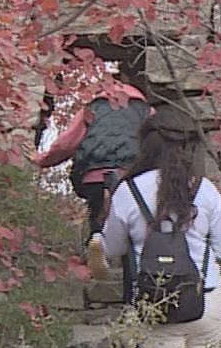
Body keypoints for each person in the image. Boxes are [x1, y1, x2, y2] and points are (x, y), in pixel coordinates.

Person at [100, 107, 221, 348]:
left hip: (157, 302)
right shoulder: (204, 190)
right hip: (206, 297)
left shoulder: (128, 192)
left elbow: (111, 250)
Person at [33, 78, 152, 242]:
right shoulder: (147, 111)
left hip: (95, 175)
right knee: (133, 224)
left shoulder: (92, 108)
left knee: (97, 221)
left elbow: (66, 144)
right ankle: (128, 259)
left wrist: (41, 159)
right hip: (131, 176)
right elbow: (156, 146)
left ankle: (96, 245)